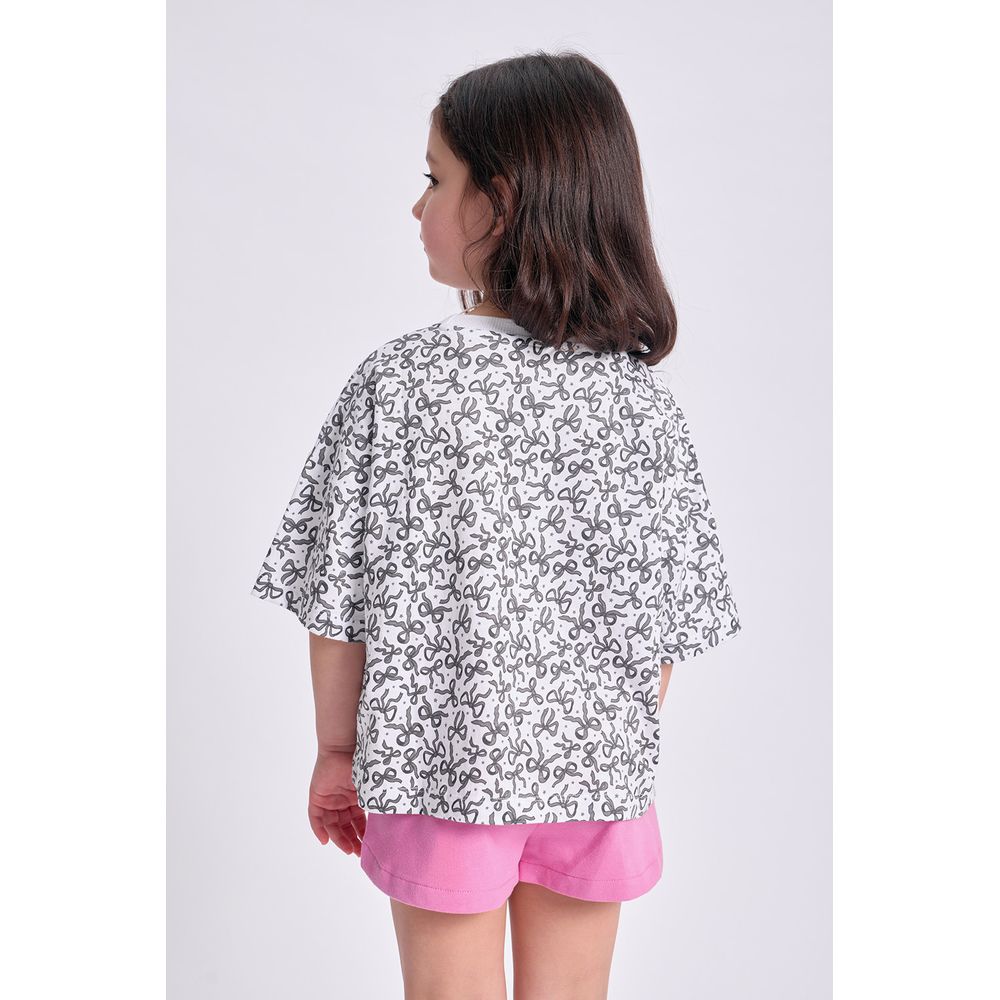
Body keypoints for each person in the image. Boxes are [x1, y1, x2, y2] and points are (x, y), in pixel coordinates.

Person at [251, 49, 742, 1000]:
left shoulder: (401, 385)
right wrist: (597, 744)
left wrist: (339, 752)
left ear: (501, 203)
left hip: (439, 772)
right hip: (595, 779)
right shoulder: (639, 405)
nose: (417, 206)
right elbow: (661, 633)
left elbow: (337, 604)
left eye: (436, 179)